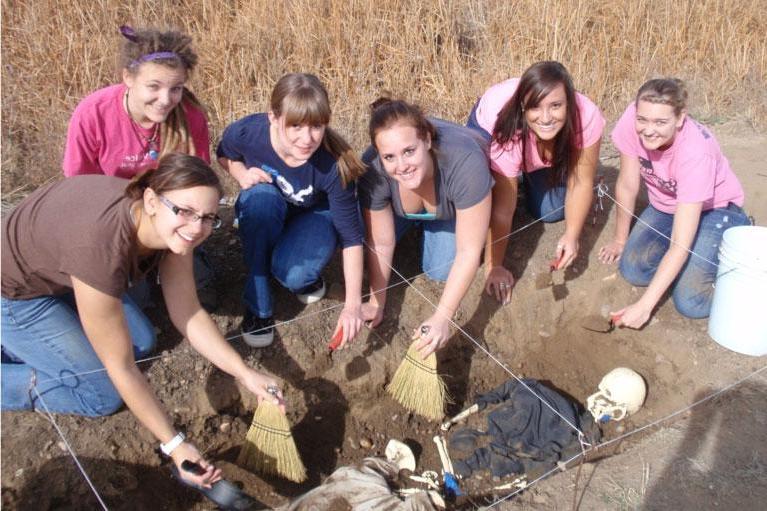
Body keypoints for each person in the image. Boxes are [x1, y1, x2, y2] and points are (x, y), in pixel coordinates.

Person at [1, 153, 282, 489]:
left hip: (59, 268)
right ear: (150, 200)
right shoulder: (101, 249)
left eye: (208, 218)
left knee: (142, 342)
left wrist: (244, 373)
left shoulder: (174, 230)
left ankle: (34, 346)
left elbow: (188, 311)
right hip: (16, 295)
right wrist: (176, 445)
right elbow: (120, 367)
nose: (197, 228)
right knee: (102, 394)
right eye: (186, 212)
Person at [62, 25, 215, 309]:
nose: (166, 99)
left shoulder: (190, 116)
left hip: (172, 214)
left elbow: (196, 182)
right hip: (116, 221)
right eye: (153, 87)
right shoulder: (93, 113)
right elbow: (78, 191)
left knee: (202, 292)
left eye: (176, 88)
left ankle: (176, 263)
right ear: (128, 78)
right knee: (140, 302)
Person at [217, 73, 366, 348]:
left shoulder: (334, 165)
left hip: (313, 215)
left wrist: (353, 305)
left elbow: (352, 239)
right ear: (273, 118)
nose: (307, 138)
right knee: (260, 201)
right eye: (295, 126)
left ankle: (298, 269)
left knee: (293, 275)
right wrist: (240, 173)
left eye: (317, 127)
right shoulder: (250, 133)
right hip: (267, 204)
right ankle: (259, 307)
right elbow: (224, 153)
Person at [598, 78, 749, 327]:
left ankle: (733, 258)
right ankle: (690, 264)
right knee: (633, 269)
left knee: (690, 302)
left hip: (714, 210)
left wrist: (644, 307)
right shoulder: (630, 120)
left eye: (660, 122)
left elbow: (679, 245)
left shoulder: (695, 153)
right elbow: (627, 184)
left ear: (680, 119)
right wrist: (619, 240)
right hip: (667, 205)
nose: (648, 129)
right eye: (643, 119)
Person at [359, 98, 492, 358]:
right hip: (405, 206)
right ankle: (415, 222)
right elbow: (382, 243)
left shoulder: (465, 163)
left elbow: (468, 252)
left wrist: (442, 317)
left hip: (457, 202)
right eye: (389, 157)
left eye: (409, 151)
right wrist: (377, 302)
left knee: (441, 269)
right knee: (361, 239)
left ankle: (431, 223)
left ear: (427, 141)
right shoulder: (373, 170)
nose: (402, 165)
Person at [467, 61, 605, 304]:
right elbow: (502, 210)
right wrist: (494, 266)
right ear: (523, 107)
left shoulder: (587, 116)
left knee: (552, 210)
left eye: (555, 106)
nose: (546, 117)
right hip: (489, 129)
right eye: (535, 107)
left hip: (534, 142)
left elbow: (582, 182)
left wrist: (572, 236)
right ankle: (509, 173)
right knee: (488, 202)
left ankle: (524, 171)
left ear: (570, 103)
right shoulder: (505, 126)